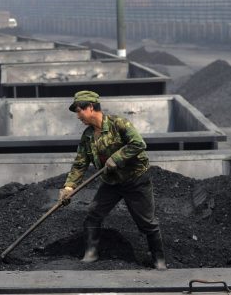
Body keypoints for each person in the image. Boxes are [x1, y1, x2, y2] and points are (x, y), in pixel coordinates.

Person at [59, 90, 167, 270]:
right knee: (93, 214)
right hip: (111, 183)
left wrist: (117, 158)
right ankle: (91, 254)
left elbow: (138, 144)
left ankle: (159, 259)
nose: (78, 116)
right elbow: (80, 164)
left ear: (91, 107)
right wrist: (69, 187)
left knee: (147, 223)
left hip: (136, 180)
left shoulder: (118, 124)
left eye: (79, 111)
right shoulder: (87, 136)